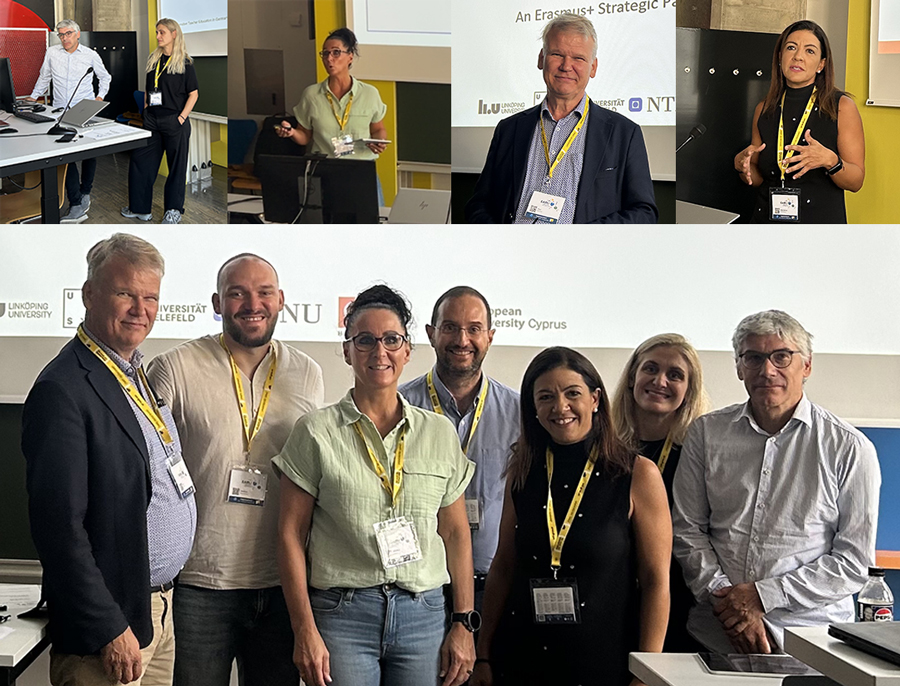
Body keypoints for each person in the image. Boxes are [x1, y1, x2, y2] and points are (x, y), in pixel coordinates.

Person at [274, 285, 477, 686]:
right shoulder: (315, 432)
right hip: (342, 615)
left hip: (424, 615)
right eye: (364, 340)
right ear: (347, 351)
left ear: (407, 350)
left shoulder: (438, 432)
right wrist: (304, 630)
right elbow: (289, 534)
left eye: (391, 340)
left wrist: (463, 624)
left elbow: (454, 533)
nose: (378, 351)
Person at [21, 233, 196, 686]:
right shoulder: (63, 389)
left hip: (156, 610)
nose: (140, 309)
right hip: (114, 626)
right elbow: (59, 527)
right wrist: (108, 626)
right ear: (89, 294)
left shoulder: (134, 369)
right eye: (125, 293)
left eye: (151, 297)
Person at [146, 254, 324, 686]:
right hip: (198, 584)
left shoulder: (308, 373)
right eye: (237, 293)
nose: (252, 303)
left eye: (264, 292)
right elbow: (147, 474)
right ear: (216, 302)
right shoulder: (174, 368)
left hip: (283, 584)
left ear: (281, 300)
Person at [673, 310, 881, 654]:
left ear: (807, 366)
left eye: (782, 356)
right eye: (753, 358)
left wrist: (760, 597)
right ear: (740, 368)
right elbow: (687, 530)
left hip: (811, 646)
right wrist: (730, 607)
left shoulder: (849, 447)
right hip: (715, 637)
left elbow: (852, 562)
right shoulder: (707, 434)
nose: (767, 371)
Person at [472, 347, 670, 686]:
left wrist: (647, 672)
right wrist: (483, 655)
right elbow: (503, 566)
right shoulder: (522, 471)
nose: (560, 407)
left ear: (595, 399)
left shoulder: (637, 474)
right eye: (545, 396)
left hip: (603, 661)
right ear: (533, 409)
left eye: (572, 393)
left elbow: (655, 582)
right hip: (522, 657)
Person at [464, 13, 657, 224]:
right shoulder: (509, 129)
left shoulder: (624, 134)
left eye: (578, 58)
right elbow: (479, 205)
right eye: (557, 54)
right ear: (541, 59)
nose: (566, 66)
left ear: (593, 67)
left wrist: (582, 242)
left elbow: (644, 213)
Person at [400, 286, 520, 613]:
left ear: (491, 337)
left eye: (474, 329)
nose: (462, 339)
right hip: (418, 589)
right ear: (430, 334)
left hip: (493, 585)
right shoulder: (400, 406)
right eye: (450, 327)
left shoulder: (520, 413)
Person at [611, 333, 711, 653]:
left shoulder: (701, 455)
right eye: (650, 369)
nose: (660, 381)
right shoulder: (603, 450)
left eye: (675, 375)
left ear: (689, 390)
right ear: (632, 377)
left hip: (679, 604)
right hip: (611, 598)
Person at [733, 20, 865, 223]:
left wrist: (831, 161)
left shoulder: (841, 107)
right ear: (780, 57)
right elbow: (759, 180)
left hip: (819, 231)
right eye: (791, 47)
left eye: (810, 51)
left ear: (821, 64)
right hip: (766, 225)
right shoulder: (764, 108)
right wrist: (743, 166)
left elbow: (856, 182)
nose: (798, 56)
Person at [275, 28, 388, 206]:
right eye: (325, 53)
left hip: (361, 171)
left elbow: (378, 129)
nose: (329, 58)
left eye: (336, 52)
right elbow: (305, 136)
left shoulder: (369, 93)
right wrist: (291, 133)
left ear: (350, 56)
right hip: (324, 171)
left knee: (370, 227)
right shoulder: (311, 95)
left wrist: (379, 141)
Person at [26, 19, 111, 223]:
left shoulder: (90, 55)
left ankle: (86, 191)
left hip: (85, 111)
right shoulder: (52, 53)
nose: (64, 38)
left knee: (90, 153)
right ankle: (75, 200)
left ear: (78, 34)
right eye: (61, 34)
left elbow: (105, 77)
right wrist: (32, 98)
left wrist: (99, 98)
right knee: (66, 155)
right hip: (60, 111)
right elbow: (44, 77)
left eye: (68, 34)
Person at [122, 18, 199, 225]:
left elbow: (193, 94)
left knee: (176, 167)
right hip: (152, 120)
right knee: (140, 162)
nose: (157, 36)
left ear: (174, 34)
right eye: (157, 32)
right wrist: (146, 110)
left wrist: (181, 118)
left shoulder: (185, 63)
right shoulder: (153, 60)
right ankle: (140, 208)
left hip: (175, 121)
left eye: (162, 32)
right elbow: (149, 89)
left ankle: (173, 211)